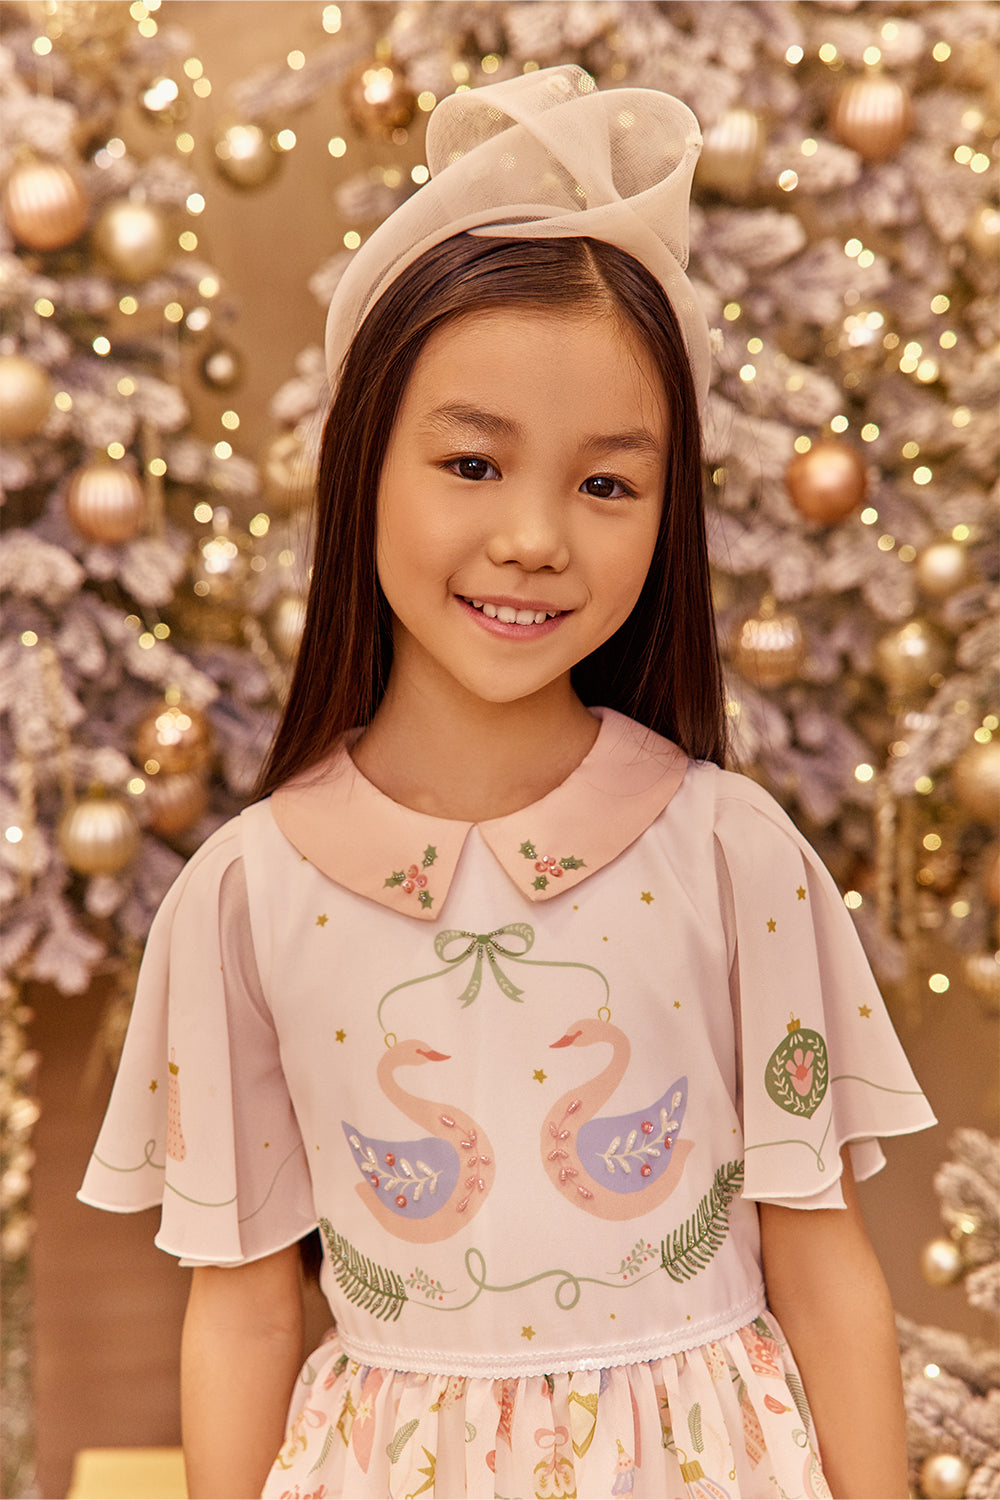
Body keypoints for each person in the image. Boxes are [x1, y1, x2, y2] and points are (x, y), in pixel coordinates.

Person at [80, 65, 936, 1500]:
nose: (536, 535)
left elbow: (820, 1241)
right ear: (363, 466)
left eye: (609, 484)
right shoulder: (245, 896)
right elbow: (237, 1306)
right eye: (473, 462)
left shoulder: (732, 853)